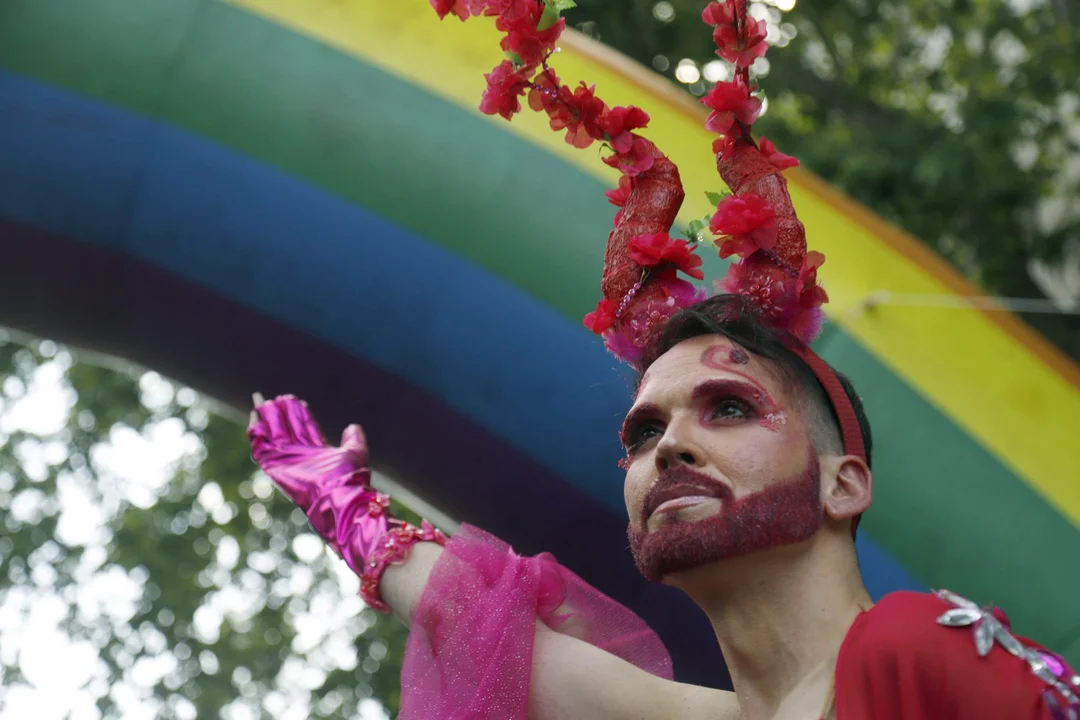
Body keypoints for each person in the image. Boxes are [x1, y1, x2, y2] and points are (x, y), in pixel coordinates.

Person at [246, 1, 1080, 717]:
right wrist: (342, 508)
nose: (670, 446)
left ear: (844, 484)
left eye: (729, 407)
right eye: (644, 433)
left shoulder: (908, 650)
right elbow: (481, 623)